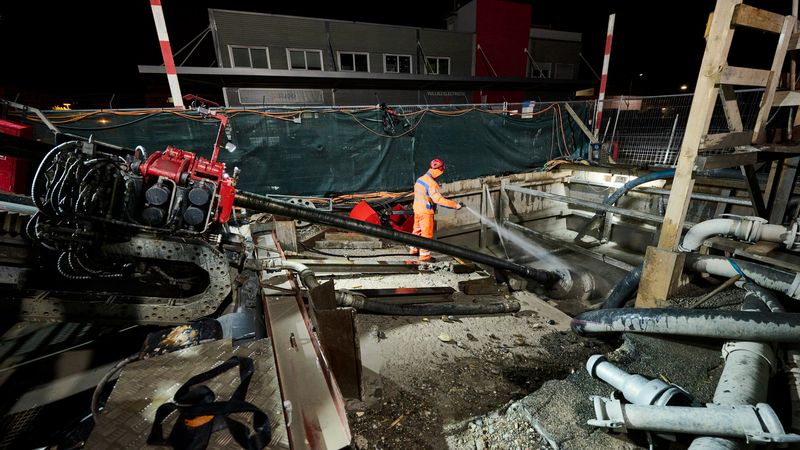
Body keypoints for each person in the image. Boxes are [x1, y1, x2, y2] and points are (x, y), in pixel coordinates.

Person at [409, 158, 464, 262]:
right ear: (439, 170)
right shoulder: (432, 184)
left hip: (417, 210)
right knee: (426, 235)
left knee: (416, 231)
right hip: (426, 212)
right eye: (441, 171)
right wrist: (455, 205)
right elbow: (438, 200)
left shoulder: (420, 179)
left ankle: (413, 249)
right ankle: (424, 256)